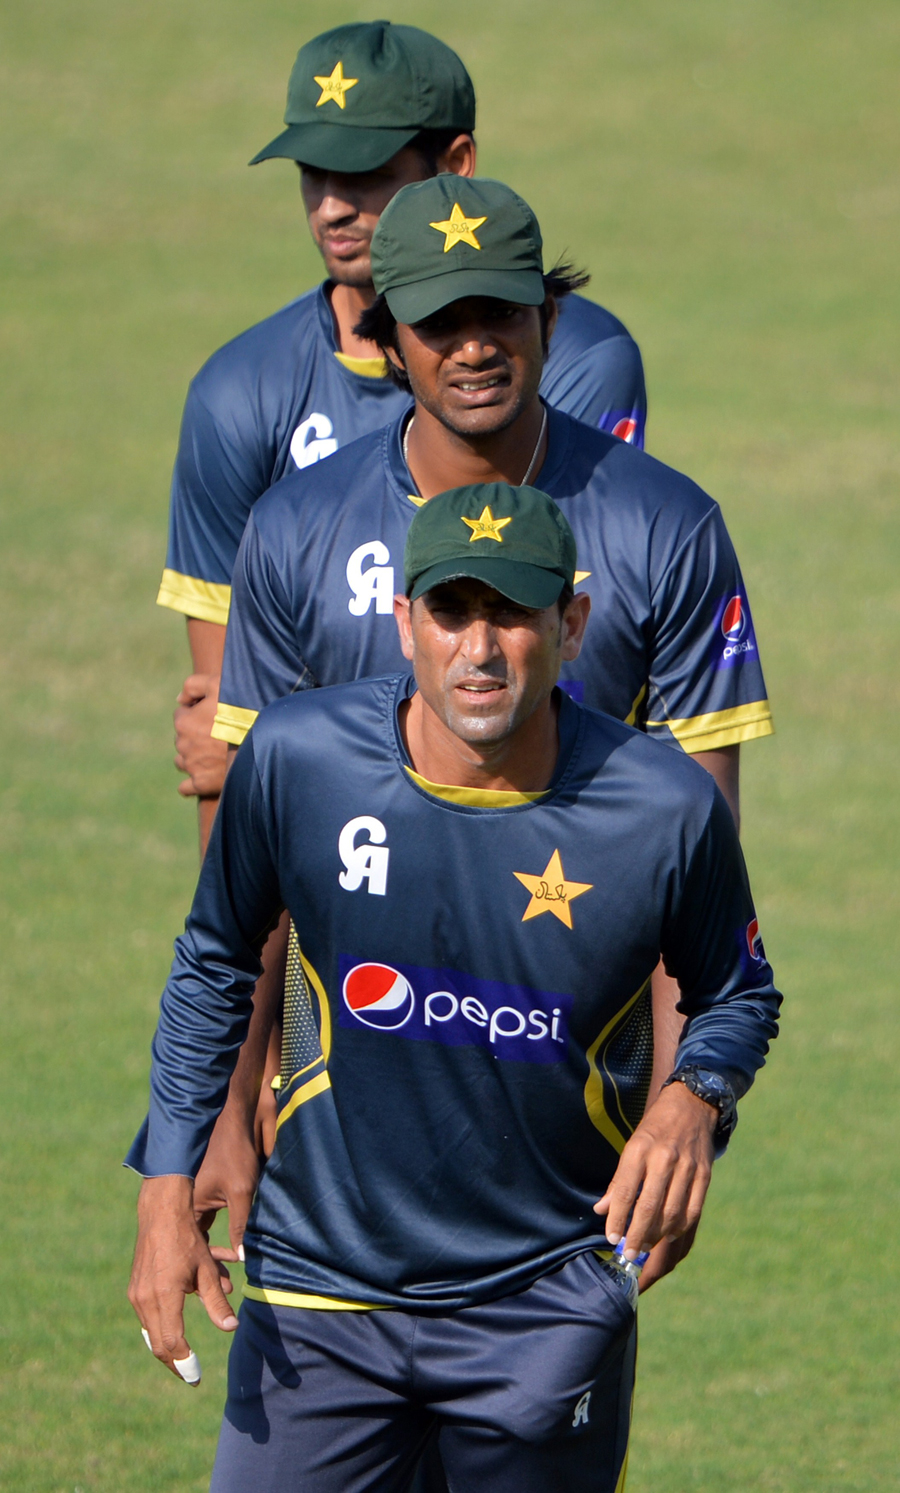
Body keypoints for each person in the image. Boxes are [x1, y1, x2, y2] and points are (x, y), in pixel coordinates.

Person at [127, 483, 781, 1492]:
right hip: (322, 1294)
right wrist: (167, 1179)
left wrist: (698, 1099)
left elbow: (737, 990)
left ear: (571, 623)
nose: (479, 648)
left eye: (514, 613)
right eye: (451, 611)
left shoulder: (665, 807)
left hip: (547, 1305)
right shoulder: (299, 761)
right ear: (404, 621)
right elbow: (217, 955)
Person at [205, 172, 773, 1286]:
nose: (473, 348)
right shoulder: (294, 528)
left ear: (548, 321)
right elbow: (245, 873)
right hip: (343, 1121)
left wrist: (680, 1110)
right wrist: (226, 1106)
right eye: (439, 322)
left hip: (560, 1123)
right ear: (388, 341)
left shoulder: (667, 527)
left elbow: (697, 865)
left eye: (499, 314)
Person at [161, 20, 647, 851]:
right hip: (338, 839)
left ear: (455, 165)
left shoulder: (572, 358)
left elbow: (545, 616)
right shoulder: (237, 391)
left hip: (530, 823)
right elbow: (225, 714)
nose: (334, 205)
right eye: (314, 172)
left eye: (366, 174)